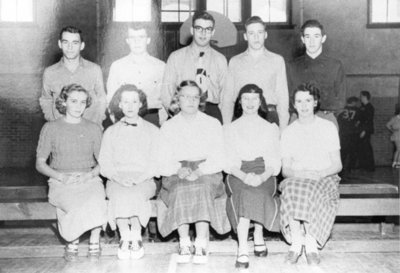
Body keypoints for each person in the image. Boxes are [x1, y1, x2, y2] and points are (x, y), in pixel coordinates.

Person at [157, 80, 230, 264]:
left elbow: (219, 157)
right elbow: (162, 158)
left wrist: (200, 171)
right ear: (177, 99)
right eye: (185, 96)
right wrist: (177, 169)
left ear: (200, 100)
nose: (190, 101)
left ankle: (201, 242)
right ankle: (184, 242)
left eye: (195, 97)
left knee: (202, 186)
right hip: (177, 171)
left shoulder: (212, 123)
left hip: (207, 171)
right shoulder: (168, 126)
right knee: (181, 188)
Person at [36, 84, 107, 261]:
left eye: (83, 102)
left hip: (88, 179)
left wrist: (89, 175)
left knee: (97, 199)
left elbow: (103, 163)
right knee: (75, 203)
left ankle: (94, 241)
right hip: (60, 180)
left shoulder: (93, 128)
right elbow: (40, 164)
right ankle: (72, 240)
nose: (78, 106)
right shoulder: (50, 128)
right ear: (64, 102)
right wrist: (60, 177)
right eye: (73, 101)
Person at [280, 82, 342, 265]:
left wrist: (320, 173)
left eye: (308, 100)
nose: (304, 105)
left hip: (325, 176)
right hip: (299, 177)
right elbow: (286, 170)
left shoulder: (327, 127)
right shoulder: (289, 132)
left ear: (315, 102)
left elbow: (337, 164)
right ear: (294, 104)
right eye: (299, 101)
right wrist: (302, 174)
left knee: (310, 190)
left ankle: (311, 243)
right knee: (291, 186)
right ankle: (296, 243)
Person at [98, 84, 159, 260]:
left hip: (144, 178)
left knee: (135, 194)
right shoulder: (111, 132)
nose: (130, 106)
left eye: (134, 101)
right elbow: (105, 162)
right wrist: (117, 177)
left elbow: (156, 161)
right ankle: (125, 236)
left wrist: (140, 178)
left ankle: (137, 235)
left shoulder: (152, 131)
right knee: (119, 194)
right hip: (117, 179)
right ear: (120, 105)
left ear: (141, 104)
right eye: (126, 101)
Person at [224, 84, 281, 269]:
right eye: (245, 98)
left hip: (264, 172)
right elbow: (228, 162)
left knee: (259, 192)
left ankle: (258, 233)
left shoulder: (270, 128)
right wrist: (244, 176)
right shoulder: (229, 129)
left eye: (254, 99)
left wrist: (262, 177)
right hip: (238, 173)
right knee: (246, 193)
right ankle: (242, 247)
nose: (250, 103)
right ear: (240, 102)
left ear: (260, 102)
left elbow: (274, 162)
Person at [221, 16, 289, 129]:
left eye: (260, 32)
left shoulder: (277, 60)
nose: (256, 37)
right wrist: (227, 127)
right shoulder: (235, 61)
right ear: (245, 36)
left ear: (265, 34)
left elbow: (283, 98)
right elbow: (227, 99)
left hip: (269, 117)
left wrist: (282, 130)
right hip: (241, 117)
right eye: (251, 33)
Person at [161, 11, 227, 123]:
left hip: (211, 112)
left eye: (208, 29)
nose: (203, 33)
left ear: (213, 32)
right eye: (199, 28)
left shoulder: (220, 59)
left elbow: (225, 96)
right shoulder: (176, 57)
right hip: (181, 111)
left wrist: (220, 122)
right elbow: (167, 92)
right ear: (192, 30)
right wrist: (177, 116)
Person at [39, 26, 107, 126]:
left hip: (88, 130)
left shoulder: (94, 70)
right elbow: (46, 100)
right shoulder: (50, 72)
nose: (70, 47)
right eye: (66, 42)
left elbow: (102, 99)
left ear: (82, 45)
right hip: (60, 131)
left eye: (75, 43)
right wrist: (52, 121)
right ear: (60, 44)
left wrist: (97, 123)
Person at [286, 19, 346, 127]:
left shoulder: (335, 66)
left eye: (316, 36)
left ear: (323, 38)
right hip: (299, 118)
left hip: (326, 118)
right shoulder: (292, 66)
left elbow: (341, 100)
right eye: (308, 37)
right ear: (302, 39)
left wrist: (322, 113)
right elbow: (288, 98)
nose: (312, 41)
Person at [107, 23, 166, 126]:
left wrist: (160, 122)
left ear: (148, 40)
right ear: (127, 41)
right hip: (124, 118)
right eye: (132, 37)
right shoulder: (117, 66)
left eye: (141, 37)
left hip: (151, 118)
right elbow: (111, 98)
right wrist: (117, 121)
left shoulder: (160, 66)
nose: (136, 41)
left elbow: (165, 97)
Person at [337, 96, 360, 173]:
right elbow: (359, 121)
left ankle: (341, 168)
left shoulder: (341, 110)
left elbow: (338, 121)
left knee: (343, 152)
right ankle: (351, 168)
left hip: (343, 133)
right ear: (353, 102)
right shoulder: (357, 110)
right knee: (353, 152)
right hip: (353, 133)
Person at [358, 90, 375, 171]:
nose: (360, 98)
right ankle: (364, 165)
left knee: (367, 148)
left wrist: (364, 130)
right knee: (363, 148)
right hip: (362, 129)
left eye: (361, 96)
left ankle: (370, 166)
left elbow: (368, 120)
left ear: (365, 97)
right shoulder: (362, 107)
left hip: (366, 130)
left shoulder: (369, 107)